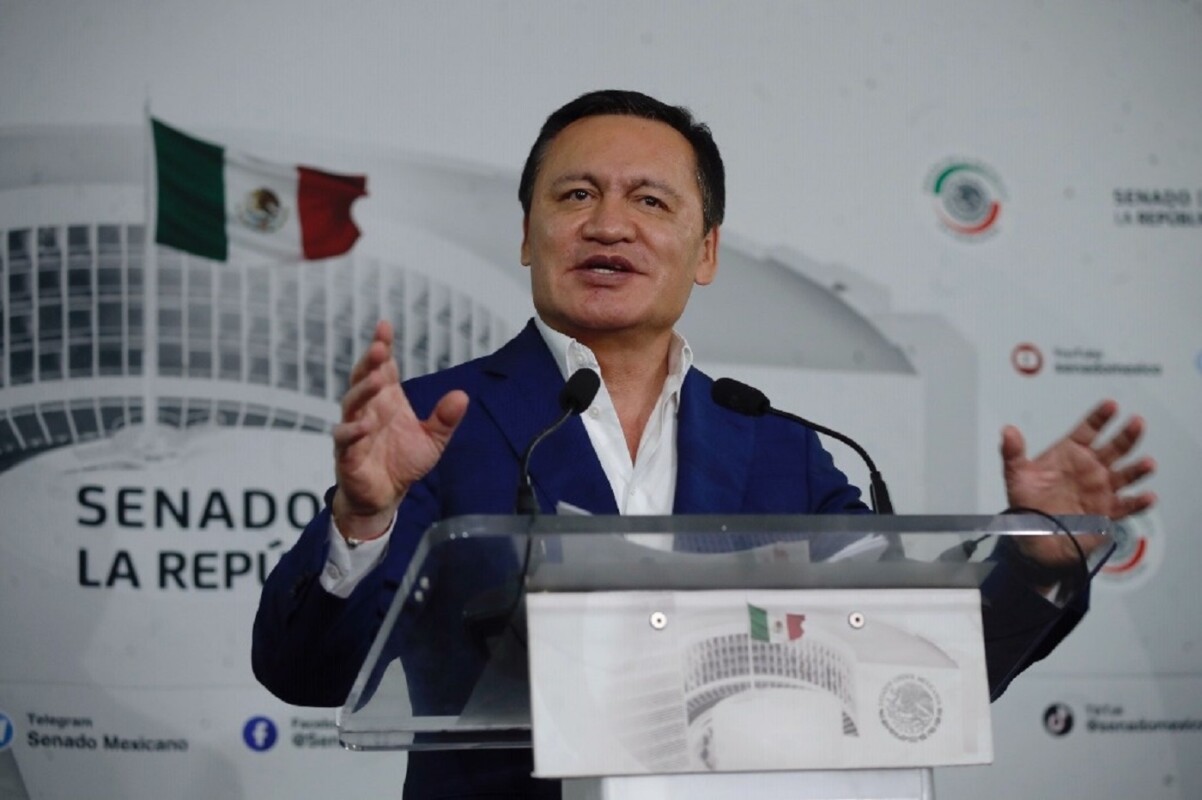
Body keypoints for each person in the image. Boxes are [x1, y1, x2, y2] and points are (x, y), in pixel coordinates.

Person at [252, 90, 1156, 799]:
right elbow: (305, 673)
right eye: (576, 195)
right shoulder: (433, 421)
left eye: (650, 200)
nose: (610, 225)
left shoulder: (784, 449)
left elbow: (912, 670)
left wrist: (1034, 560)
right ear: (527, 235)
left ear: (707, 251)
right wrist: (363, 520)